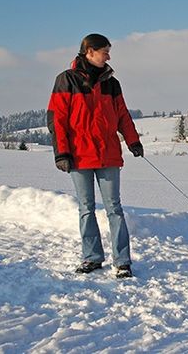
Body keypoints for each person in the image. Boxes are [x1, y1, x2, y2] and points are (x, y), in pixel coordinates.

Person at [47, 33, 144, 279]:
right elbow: (56, 119)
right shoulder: (66, 80)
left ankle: (122, 262)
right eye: (105, 51)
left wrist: (133, 140)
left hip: (108, 154)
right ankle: (92, 258)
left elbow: (122, 114)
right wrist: (62, 153)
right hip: (78, 155)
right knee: (86, 208)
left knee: (115, 208)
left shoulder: (112, 83)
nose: (108, 56)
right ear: (89, 51)